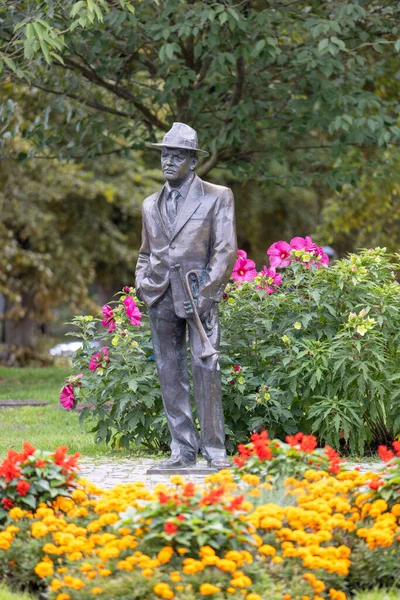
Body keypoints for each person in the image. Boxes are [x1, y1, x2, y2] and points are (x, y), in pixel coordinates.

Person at [135, 122, 237, 469]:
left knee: (206, 368)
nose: (168, 161)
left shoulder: (217, 195)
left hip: (199, 297)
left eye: (177, 156)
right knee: (169, 371)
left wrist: (207, 294)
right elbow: (146, 252)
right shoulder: (150, 204)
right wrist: (142, 282)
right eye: (165, 154)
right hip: (160, 295)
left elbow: (225, 250)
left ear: (192, 162)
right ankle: (182, 450)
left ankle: (215, 450)